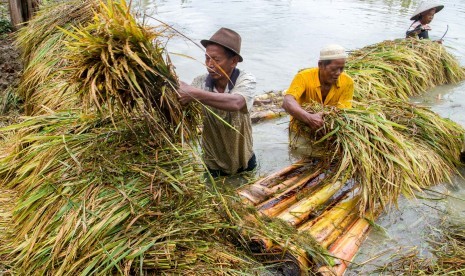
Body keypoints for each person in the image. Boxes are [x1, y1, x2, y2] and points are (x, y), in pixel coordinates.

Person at [177, 27, 257, 177]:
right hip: (212, 165)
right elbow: (181, 104)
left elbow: (236, 103)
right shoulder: (200, 83)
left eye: (216, 59)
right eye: (207, 58)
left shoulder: (245, 80)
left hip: (244, 161)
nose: (210, 64)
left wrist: (193, 93)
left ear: (233, 61)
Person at [282, 44, 354, 154]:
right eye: (334, 69)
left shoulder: (347, 82)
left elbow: (343, 112)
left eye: (342, 68)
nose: (338, 73)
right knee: (300, 156)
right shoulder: (303, 77)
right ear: (321, 65)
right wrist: (309, 118)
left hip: (327, 133)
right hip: (301, 131)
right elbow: (287, 102)